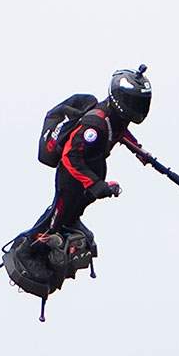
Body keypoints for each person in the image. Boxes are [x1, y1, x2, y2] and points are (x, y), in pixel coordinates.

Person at [29, 65, 153, 241]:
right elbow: (70, 156)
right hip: (71, 175)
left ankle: (70, 223)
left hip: (89, 169)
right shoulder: (94, 125)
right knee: (56, 220)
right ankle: (27, 248)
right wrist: (93, 183)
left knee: (75, 210)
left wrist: (139, 150)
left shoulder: (116, 118)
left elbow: (120, 132)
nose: (137, 107)